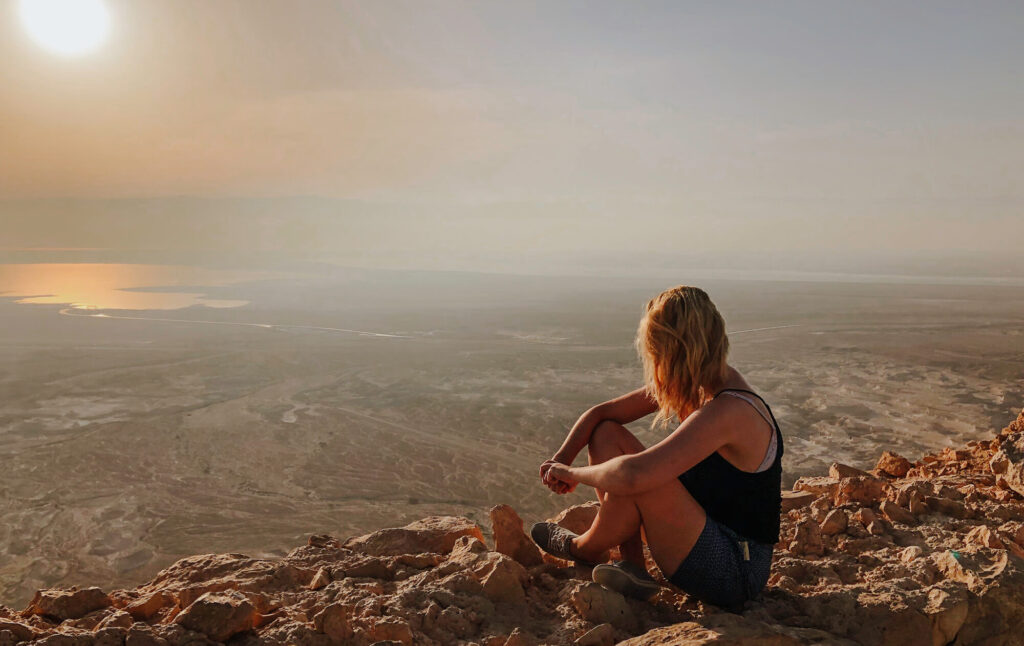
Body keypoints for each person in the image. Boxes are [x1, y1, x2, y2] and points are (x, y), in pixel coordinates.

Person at [531, 285, 782, 610]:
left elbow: (634, 475)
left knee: (633, 476)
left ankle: (583, 549)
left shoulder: (730, 410)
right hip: (702, 530)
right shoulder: (699, 383)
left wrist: (572, 472)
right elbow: (601, 415)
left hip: (734, 568)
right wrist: (561, 457)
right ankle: (633, 569)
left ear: (674, 349)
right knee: (607, 435)